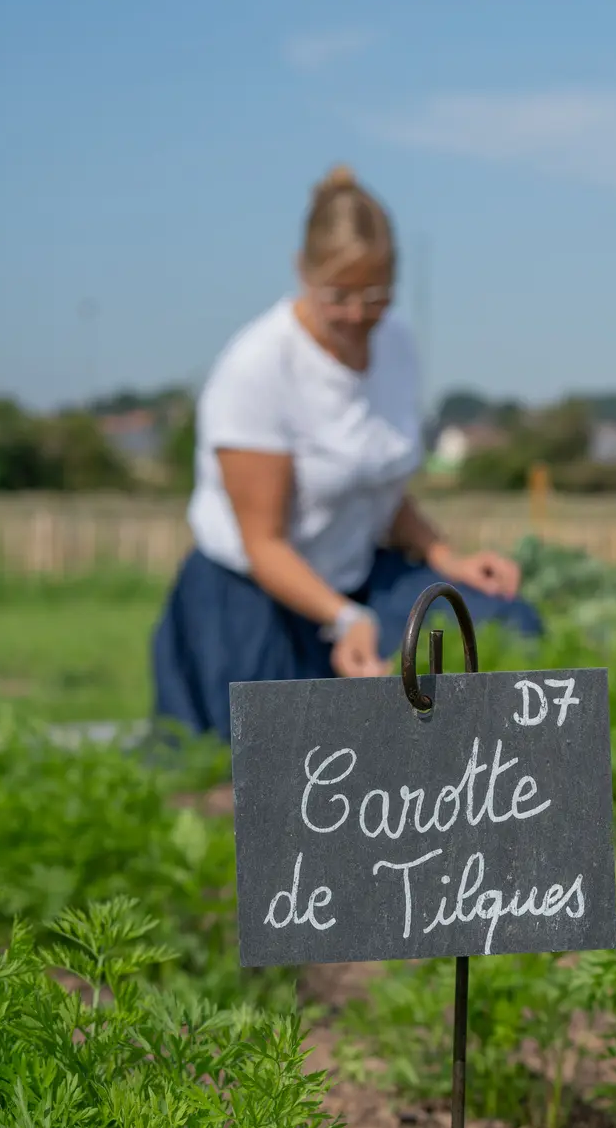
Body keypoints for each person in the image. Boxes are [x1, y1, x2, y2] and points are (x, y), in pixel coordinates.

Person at [151, 165, 544, 742]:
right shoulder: (258, 367)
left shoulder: (398, 346)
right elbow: (263, 545)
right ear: (302, 272)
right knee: (284, 750)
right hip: (256, 594)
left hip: (357, 573)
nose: (359, 315)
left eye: (376, 295)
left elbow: (377, 485)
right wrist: (345, 620)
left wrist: (445, 556)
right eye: (340, 296)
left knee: (505, 622)